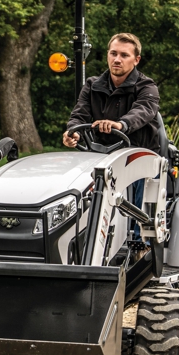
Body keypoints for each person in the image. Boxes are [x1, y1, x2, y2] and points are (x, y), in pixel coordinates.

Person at [63, 33, 160, 244]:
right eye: (113, 53)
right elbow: (79, 115)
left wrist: (120, 125)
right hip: (99, 156)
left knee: (135, 179)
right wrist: (73, 132)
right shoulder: (92, 86)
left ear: (136, 60)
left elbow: (143, 111)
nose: (117, 59)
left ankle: (138, 241)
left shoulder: (146, 87)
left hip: (138, 155)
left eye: (124, 55)